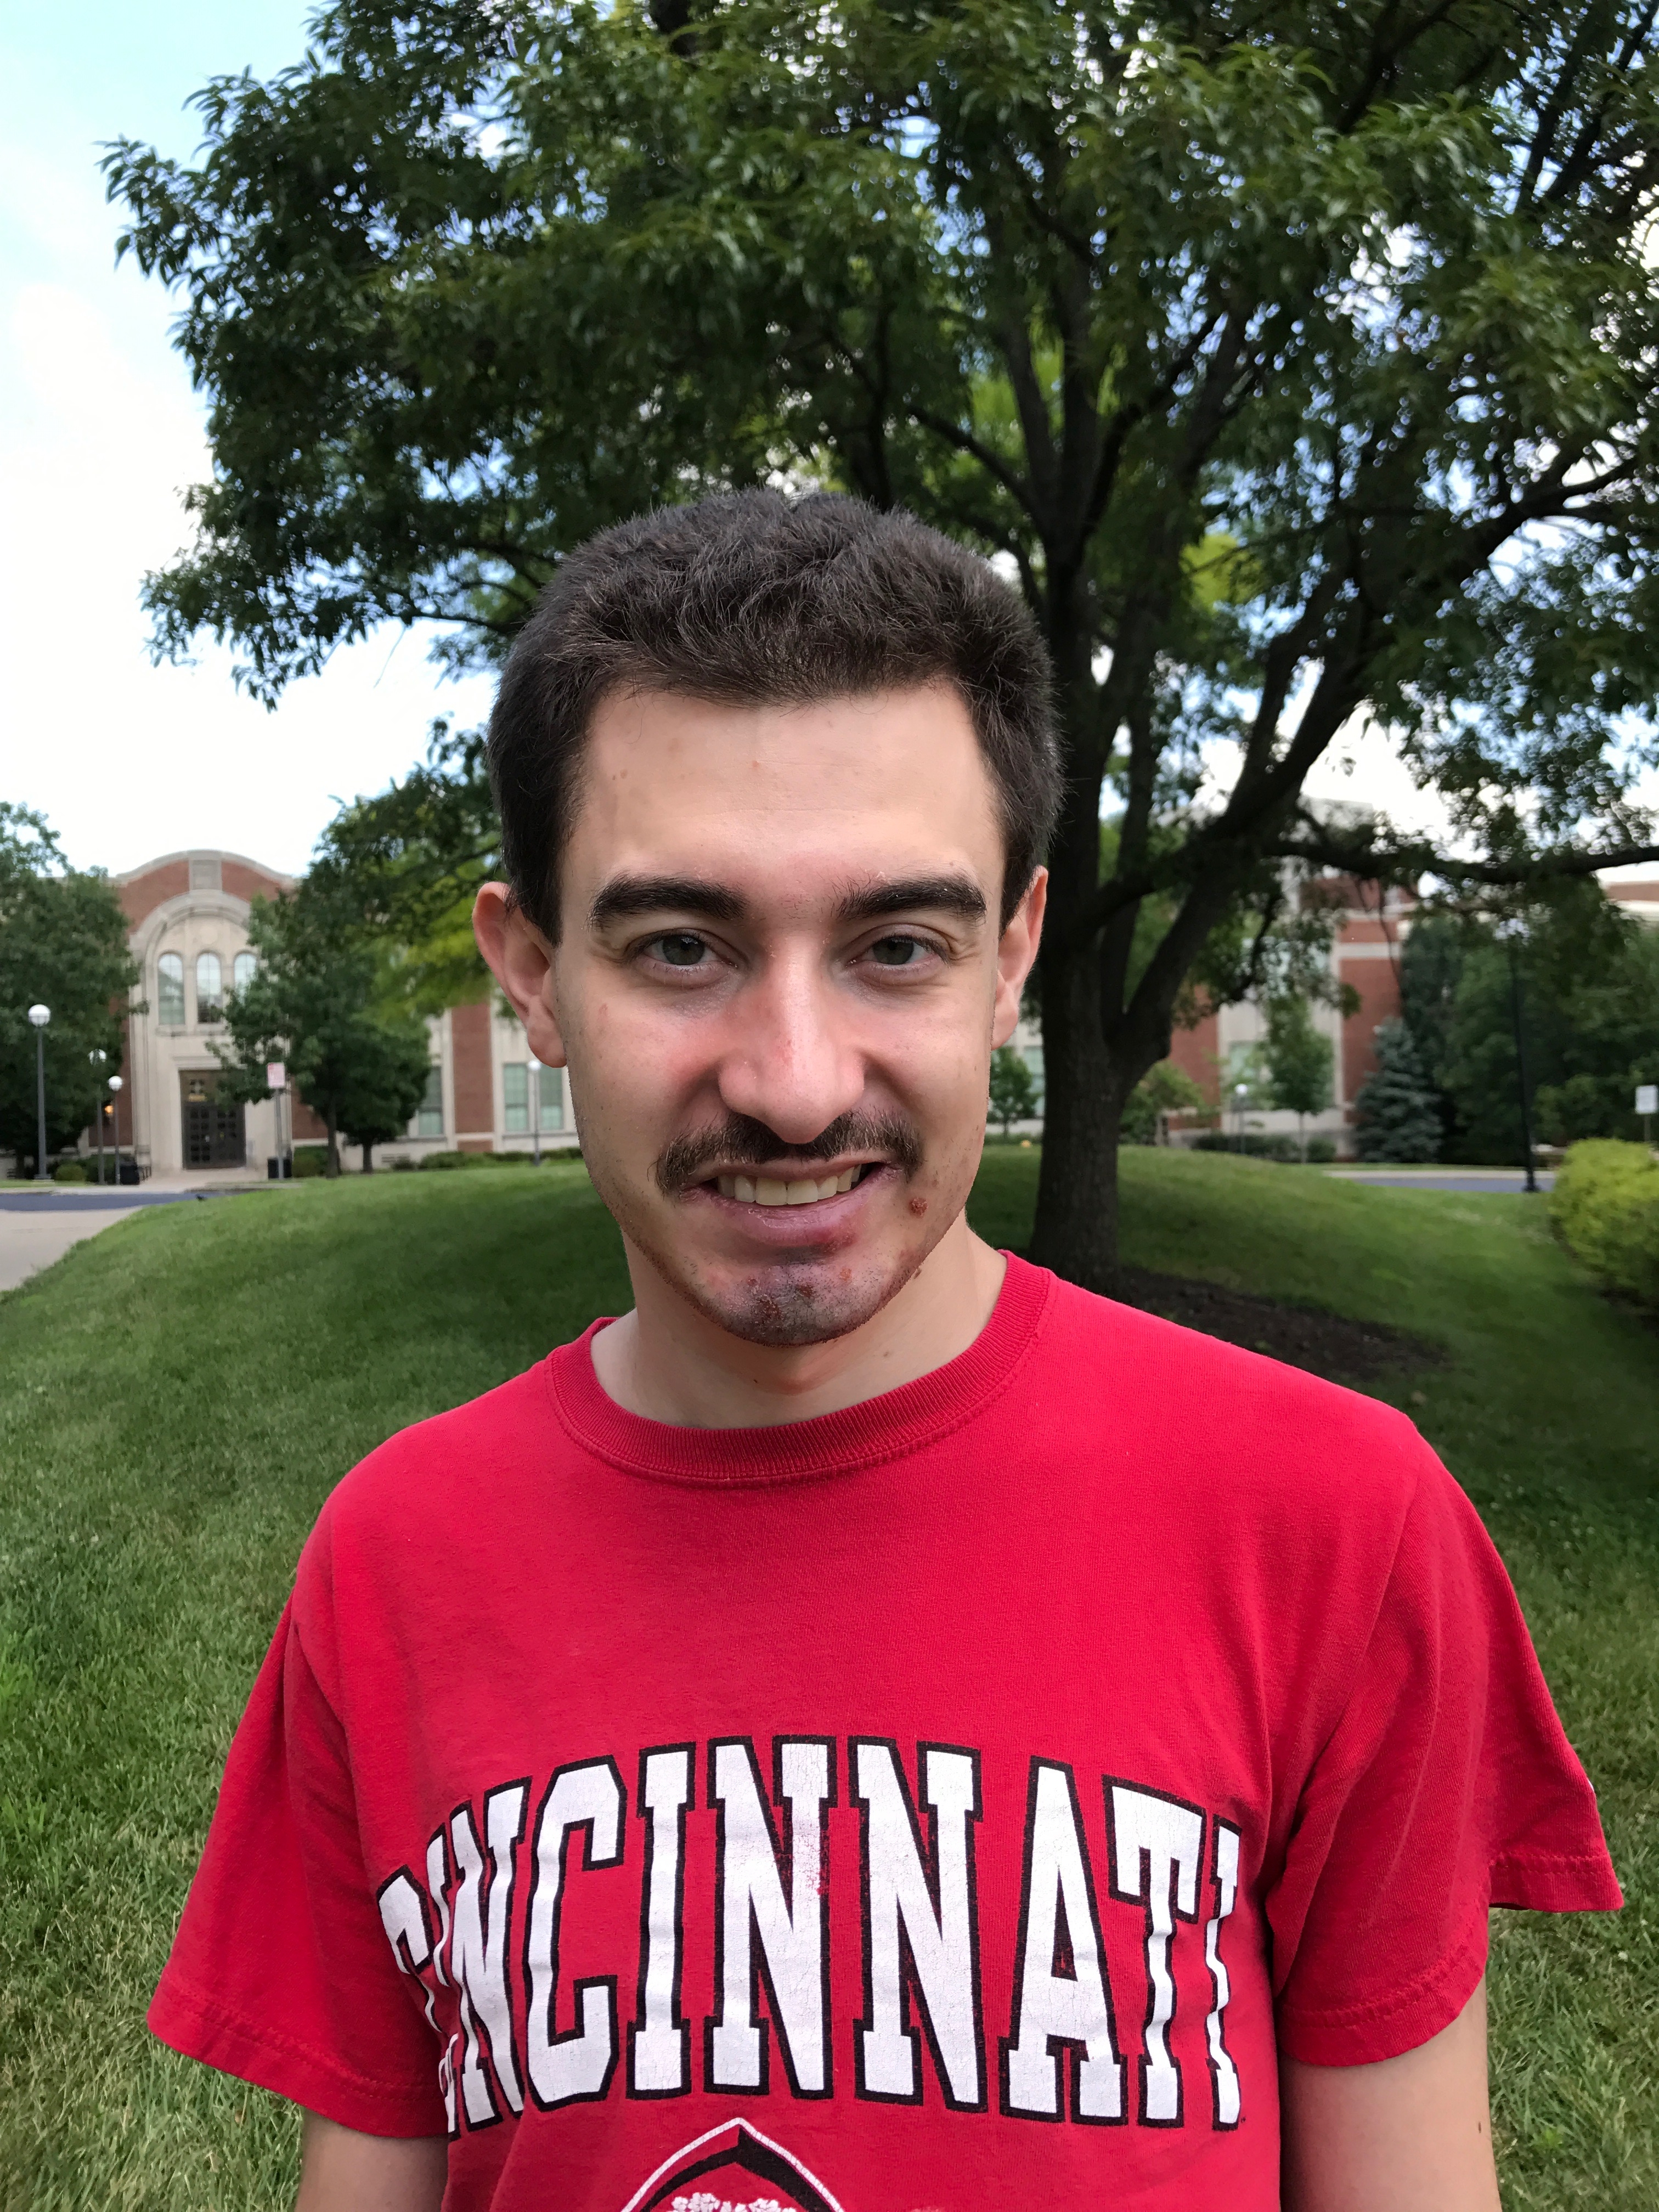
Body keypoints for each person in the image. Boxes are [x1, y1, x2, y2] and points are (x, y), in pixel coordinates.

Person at [150, 493, 1620, 2212]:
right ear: (533, 975)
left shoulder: (1336, 1527)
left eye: (896, 948)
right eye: (681, 947)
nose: (793, 1083)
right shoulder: (395, 1562)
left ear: (1010, 962)